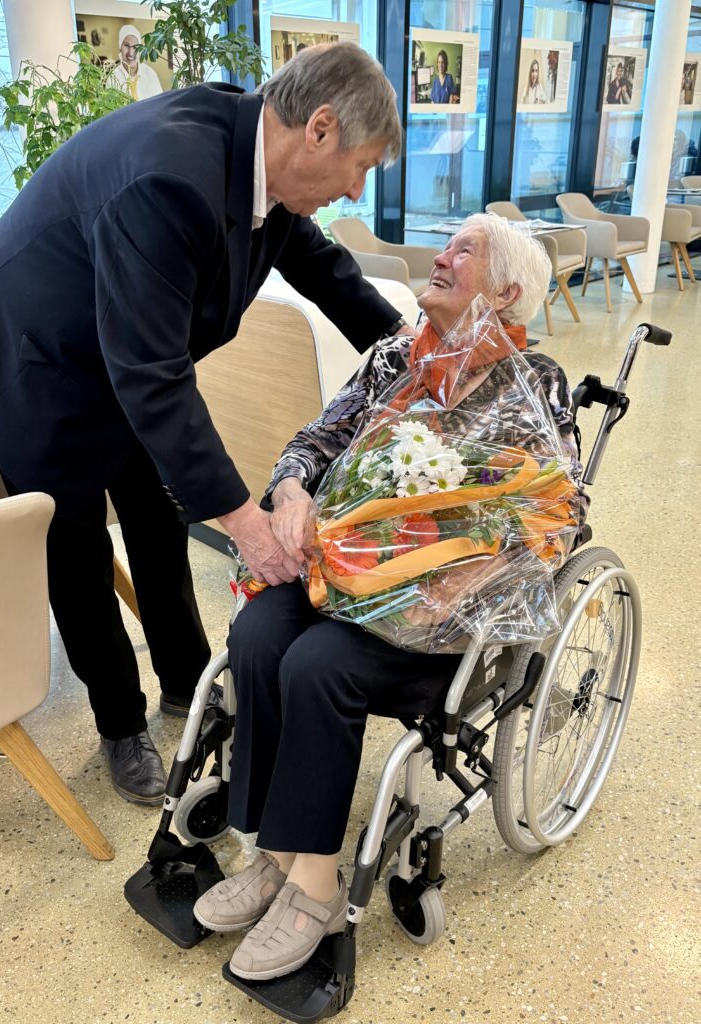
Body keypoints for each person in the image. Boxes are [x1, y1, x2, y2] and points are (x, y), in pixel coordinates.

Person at [0, 43, 407, 806]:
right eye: (362, 167)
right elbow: (152, 376)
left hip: (115, 351)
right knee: (77, 549)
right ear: (319, 128)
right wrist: (246, 523)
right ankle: (120, 723)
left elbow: (326, 270)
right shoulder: (170, 176)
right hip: (32, 359)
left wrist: (417, 358)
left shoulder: (261, 161)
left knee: (157, 517)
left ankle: (187, 685)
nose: (356, 190)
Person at [192, 213, 589, 981]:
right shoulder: (393, 359)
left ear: (507, 292)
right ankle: (275, 855)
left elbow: (558, 514)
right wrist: (291, 492)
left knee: (315, 665)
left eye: (464, 250)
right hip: (349, 575)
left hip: (443, 619)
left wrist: (460, 578)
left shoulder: (534, 384)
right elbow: (315, 438)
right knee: (259, 634)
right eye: (447, 244)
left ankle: (315, 886)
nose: (441, 256)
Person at [109, 24, 162, 101]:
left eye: (135, 46)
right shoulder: (112, 78)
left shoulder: (150, 74)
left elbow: (160, 103)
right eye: (126, 45)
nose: (131, 52)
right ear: (120, 47)